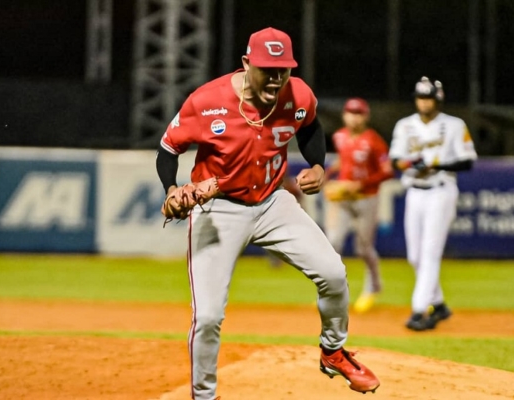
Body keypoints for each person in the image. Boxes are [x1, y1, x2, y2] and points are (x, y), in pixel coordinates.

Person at [156, 27, 380, 399]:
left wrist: (319, 165)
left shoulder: (298, 94)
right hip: (218, 209)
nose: (276, 78)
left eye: (283, 69)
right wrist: (171, 188)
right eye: (267, 69)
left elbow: (310, 127)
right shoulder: (206, 100)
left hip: (273, 202)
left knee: (333, 273)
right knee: (208, 316)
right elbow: (168, 149)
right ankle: (203, 395)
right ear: (247, 64)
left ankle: (333, 351)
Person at [388, 76, 477, 331]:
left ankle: (419, 311)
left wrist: (435, 165)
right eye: (420, 97)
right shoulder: (405, 126)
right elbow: (395, 160)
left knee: (429, 252)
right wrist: (410, 163)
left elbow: (467, 161)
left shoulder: (454, 125)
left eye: (429, 98)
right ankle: (438, 305)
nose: (424, 103)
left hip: (441, 190)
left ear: (438, 100)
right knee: (414, 256)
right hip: (415, 191)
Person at [323, 98, 394, 313]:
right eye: (351, 113)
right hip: (345, 197)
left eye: (359, 113)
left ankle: (373, 286)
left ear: (366, 116)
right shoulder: (339, 136)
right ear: (344, 115)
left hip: (366, 198)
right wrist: (328, 175)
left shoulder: (374, 141)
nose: (354, 117)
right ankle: (333, 292)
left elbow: (388, 170)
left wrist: (360, 184)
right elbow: (345, 160)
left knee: (363, 248)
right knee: (333, 242)